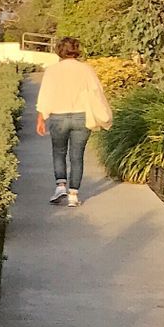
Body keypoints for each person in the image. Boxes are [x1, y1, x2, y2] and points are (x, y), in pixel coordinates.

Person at [34, 37, 112, 208]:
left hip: (58, 117)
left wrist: (41, 117)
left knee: (59, 152)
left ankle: (60, 186)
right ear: (76, 50)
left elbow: (45, 95)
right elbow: (97, 91)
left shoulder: (52, 70)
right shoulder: (86, 69)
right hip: (81, 116)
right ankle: (73, 196)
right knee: (77, 156)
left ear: (59, 50)